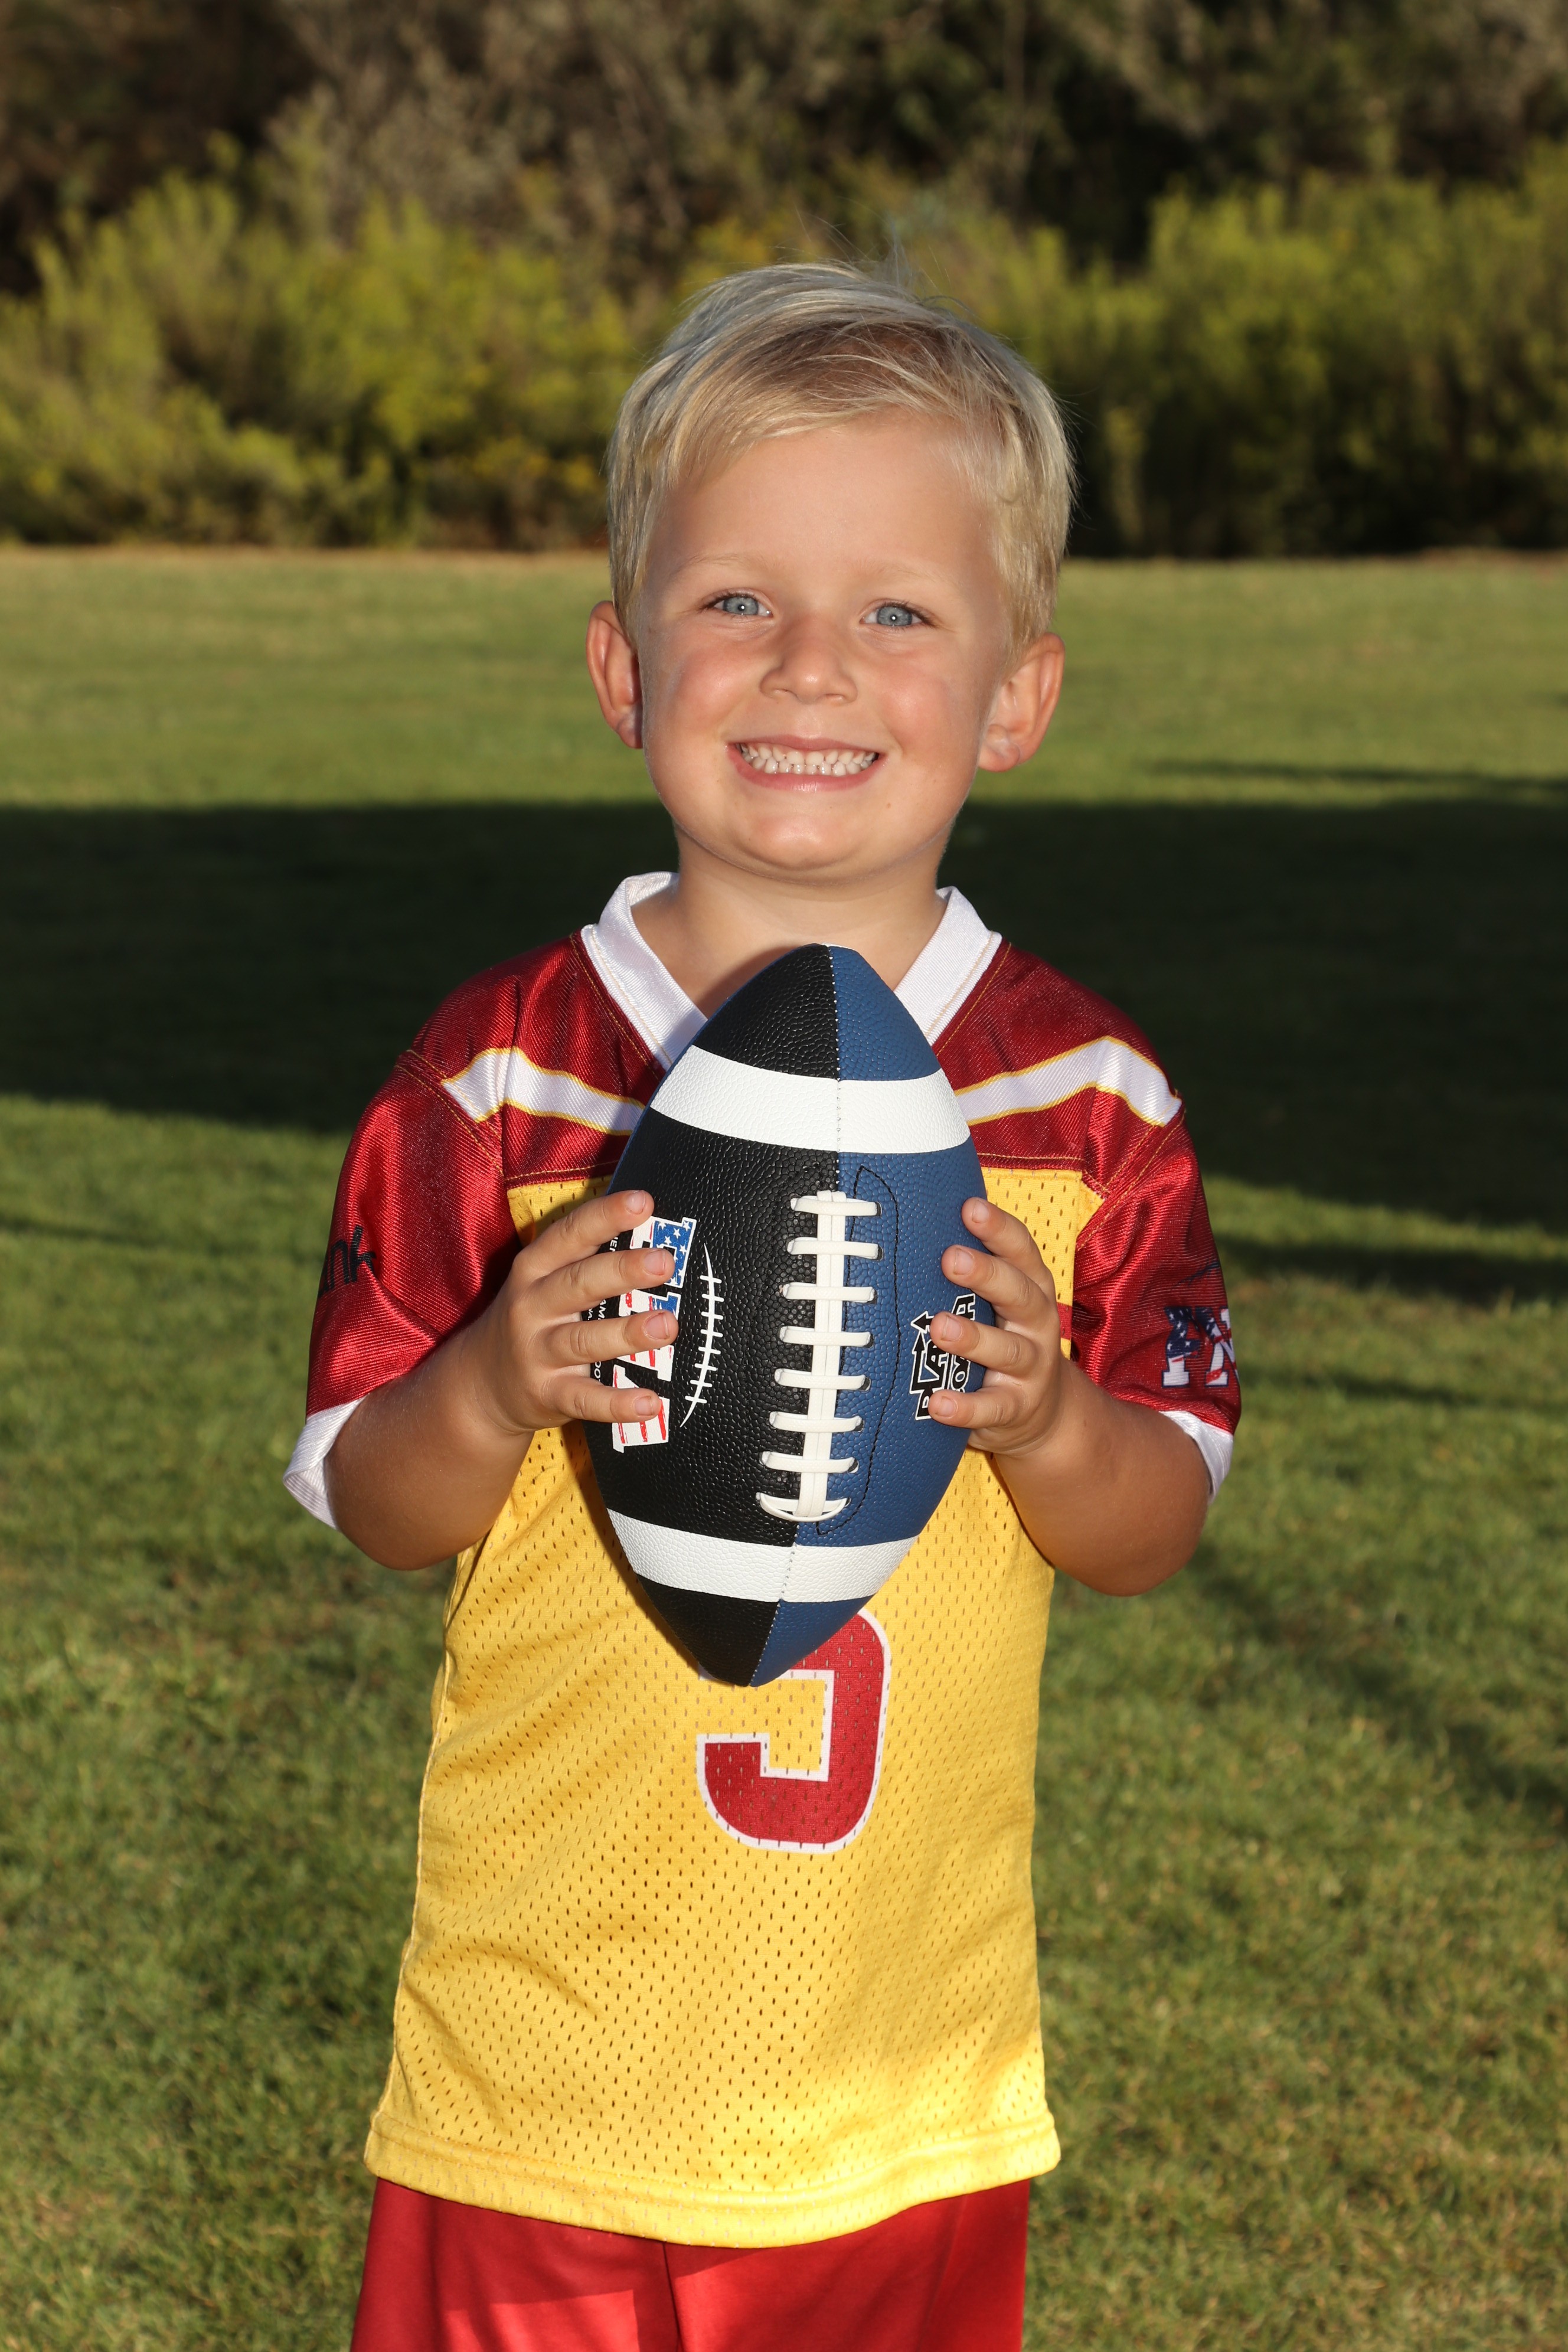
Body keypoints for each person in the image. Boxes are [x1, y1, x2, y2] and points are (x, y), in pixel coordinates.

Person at [285, 263, 1240, 2352]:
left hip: (896, 2094)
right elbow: (376, 1500)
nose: (813, 662)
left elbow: (1155, 1525)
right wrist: (495, 1384)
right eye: (738, 600)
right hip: (536, 2085)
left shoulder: (1087, 1096)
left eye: (899, 610)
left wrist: (1051, 1424)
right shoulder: (502, 1075)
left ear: (1018, 695)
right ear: (624, 667)